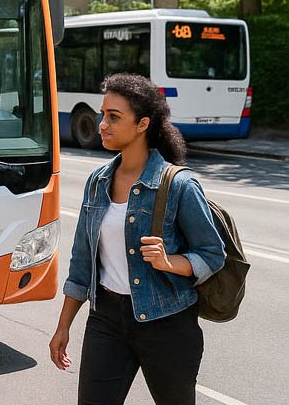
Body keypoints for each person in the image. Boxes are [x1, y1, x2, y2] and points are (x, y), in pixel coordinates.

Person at [50, 73, 226, 405]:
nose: (102, 124)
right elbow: (81, 263)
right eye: (103, 114)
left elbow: (213, 254)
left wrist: (169, 262)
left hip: (167, 324)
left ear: (143, 124)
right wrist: (63, 327)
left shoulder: (178, 185)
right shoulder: (98, 181)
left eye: (114, 117)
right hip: (106, 319)